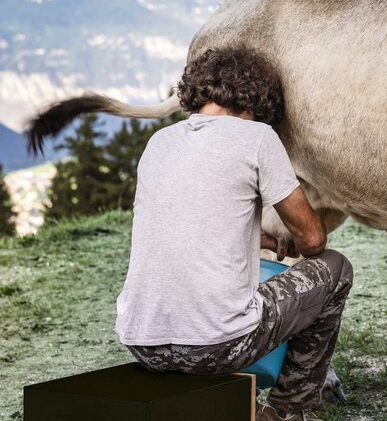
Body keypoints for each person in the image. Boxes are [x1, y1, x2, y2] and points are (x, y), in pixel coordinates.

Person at [115, 47, 353, 421]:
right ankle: (285, 409)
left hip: (142, 342)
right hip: (217, 346)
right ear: (257, 100)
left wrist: (272, 241)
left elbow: (194, 225)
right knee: (335, 267)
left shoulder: (158, 143)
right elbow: (312, 240)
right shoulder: (256, 137)